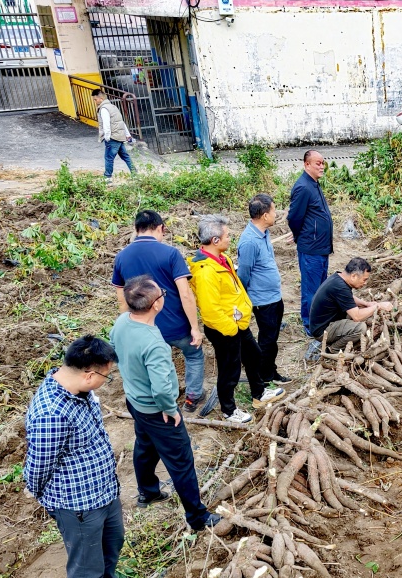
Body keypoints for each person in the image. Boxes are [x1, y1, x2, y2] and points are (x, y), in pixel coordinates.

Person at [24, 336, 138, 578]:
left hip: (103, 490)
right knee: (85, 567)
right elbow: (38, 466)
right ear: (89, 374)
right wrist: (48, 499)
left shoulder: (81, 392)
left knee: (113, 541)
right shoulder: (52, 413)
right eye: (106, 376)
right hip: (77, 503)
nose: (106, 381)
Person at [110, 276, 221, 532]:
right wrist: (170, 409)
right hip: (157, 410)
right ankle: (198, 517)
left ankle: (148, 492)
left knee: (145, 445)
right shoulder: (154, 343)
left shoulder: (122, 322)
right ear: (156, 305)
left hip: (135, 402)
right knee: (181, 461)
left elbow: (114, 349)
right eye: (162, 294)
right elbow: (160, 388)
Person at [111, 210, 214, 416]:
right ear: (161, 228)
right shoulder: (170, 254)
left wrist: (128, 326)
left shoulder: (122, 257)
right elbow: (185, 294)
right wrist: (195, 327)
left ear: (136, 229)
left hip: (144, 327)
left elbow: (122, 300)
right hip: (176, 324)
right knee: (193, 354)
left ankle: (157, 398)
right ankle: (193, 397)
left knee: (152, 362)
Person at [189, 215, 287, 425]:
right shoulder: (206, 272)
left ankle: (259, 393)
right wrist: (230, 328)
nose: (230, 239)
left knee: (254, 355)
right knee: (229, 369)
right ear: (215, 240)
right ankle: (229, 410)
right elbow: (210, 310)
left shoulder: (221, 259)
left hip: (236, 323)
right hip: (224, 328)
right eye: (227, 236)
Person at [237, 193, 288, 386]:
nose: (276, 214)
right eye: (274, 211)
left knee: (272, 339)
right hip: (263, 300)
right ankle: (264, 377)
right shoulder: (249, 241)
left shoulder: (264, 233)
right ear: (265, 215)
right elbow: (243, 274)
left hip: (274, 296)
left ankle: (270, 371)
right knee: (267, 341)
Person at [286, 149, 334, 331]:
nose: (321, 166)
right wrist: (298, 235)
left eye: (323, 163)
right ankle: (310, 325)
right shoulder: (303, 187)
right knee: (311, 290)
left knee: (320, 288)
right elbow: (294, 217)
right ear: (307, 164)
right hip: (311, 248)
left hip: (321, 247)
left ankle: (319, 320)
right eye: (317, 163)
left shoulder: (313, 183)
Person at [307, 258, 393, 352]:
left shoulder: (338, 278)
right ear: (353, 276)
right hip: (322, 331)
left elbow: (349, 297)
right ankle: (332, 350)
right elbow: (357, 317)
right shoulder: (340, 287)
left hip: (324, 323)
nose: (365, 283)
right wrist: (378, 306)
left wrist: (366, 304)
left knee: (363, 310)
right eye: (364, 280)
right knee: (360, 328)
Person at [93, 88, 135, 182]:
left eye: (95, 99)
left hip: (112, 137)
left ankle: (107, 178)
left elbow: (106, 124)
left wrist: (107, 137)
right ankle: (135, 175)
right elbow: (121, 122)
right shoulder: (113, 107)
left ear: (101, 99)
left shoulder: (104, 109)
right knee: (125, 156)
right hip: (119, 136)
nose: (95, 102)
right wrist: (127, 134)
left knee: (109, 158)